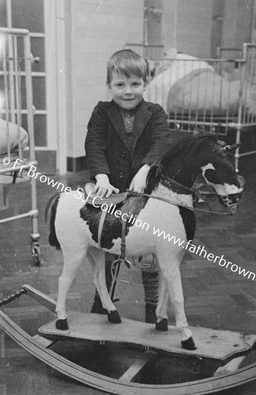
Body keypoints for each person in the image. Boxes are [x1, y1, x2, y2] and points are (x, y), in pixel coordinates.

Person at [85, 49, 171, 323]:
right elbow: (94, 144)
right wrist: (101, 176)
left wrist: (146, 168)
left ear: (145, 84)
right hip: (112, 192)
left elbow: (161, 142)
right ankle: (102, 308)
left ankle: (153, 313)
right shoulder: (101, 111)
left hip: (145, 194)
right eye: (120, 85)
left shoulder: (156, 113)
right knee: (109, 251)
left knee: (150, 255)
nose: (128, 91)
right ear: (109, 85)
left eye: (135, 84)